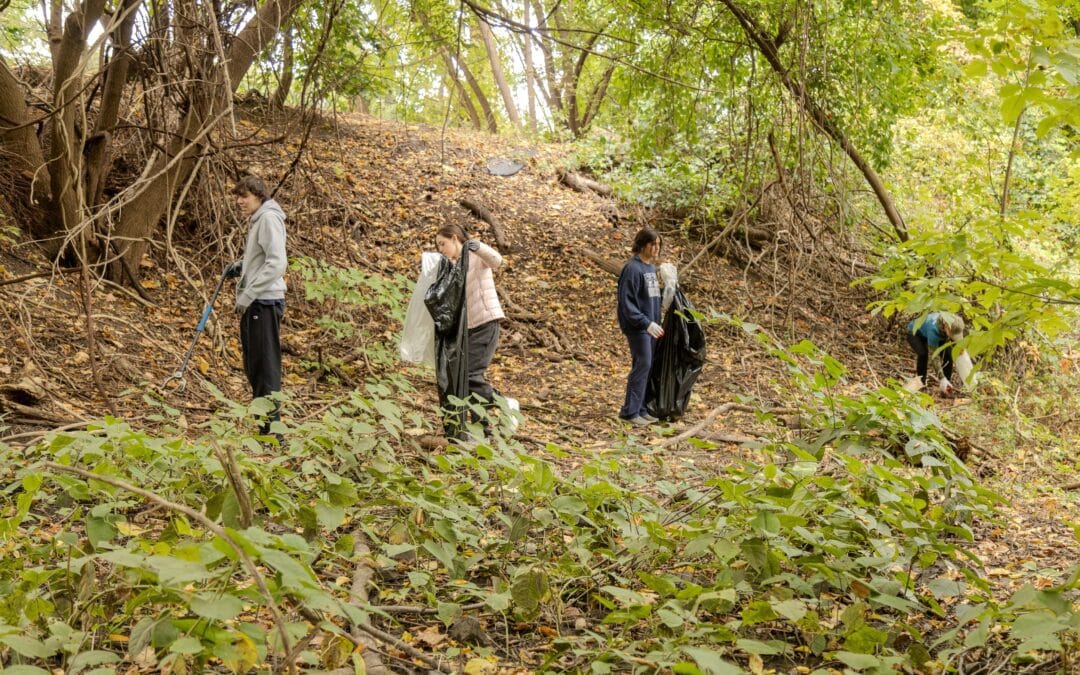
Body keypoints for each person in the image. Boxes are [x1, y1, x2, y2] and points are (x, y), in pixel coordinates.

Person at [224, 175, 288, 436]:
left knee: (265, 366)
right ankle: (263, 425)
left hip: (264, 302)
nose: (240, 202)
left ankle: (272, 431)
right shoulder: (259, 219)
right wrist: (242, 266)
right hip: (258, 302)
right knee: (254, 365)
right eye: (237, 197)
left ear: (259, 196)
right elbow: (263, 257)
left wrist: (248, 294)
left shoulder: (269, 219)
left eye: (245, 196)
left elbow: (277, 262)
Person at [434, 223, 506, 427]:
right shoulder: (453, 266)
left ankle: (504, 404)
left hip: (486, 322)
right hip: (468, 330)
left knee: (470, 375)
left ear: (455, 239)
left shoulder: (475, 256)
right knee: (465, 377)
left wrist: (478, 246)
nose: (440, 249)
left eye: (443, 244)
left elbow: (497, 261)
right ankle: (483, 430)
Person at [617, 228, 664, 426]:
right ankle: (630, 412)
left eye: (658, 245)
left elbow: (652, 298)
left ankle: (642, 408)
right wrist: (645, 323)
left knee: (648, 366)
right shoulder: (632, 269)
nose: (656, 248)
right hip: (638, 327)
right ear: (643, 244)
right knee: (642, 364)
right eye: (652, 244)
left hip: (651, 326)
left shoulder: (651, 269)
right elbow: (627, 303)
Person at [906, 311, 964, 395]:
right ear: (946, 327)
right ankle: (921, 384)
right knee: (923, 354)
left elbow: (958, 341)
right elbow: (934, 356)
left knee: (948, 355)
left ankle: (946, 388)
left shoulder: (955, 323)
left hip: (939, 334)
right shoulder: (933, 330)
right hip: (914, 332)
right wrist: (941, 378)